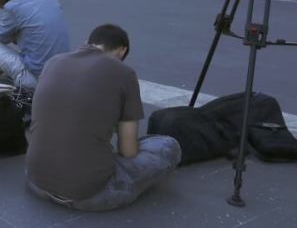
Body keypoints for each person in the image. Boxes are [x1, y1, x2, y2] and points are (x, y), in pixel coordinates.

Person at [26, 24, 181, 211]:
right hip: (89, 193)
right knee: (167, 145)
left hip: (37, 181)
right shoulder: (124, 73)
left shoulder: (54, 62)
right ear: (122, 50)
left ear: (87, 43)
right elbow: (128, 150)